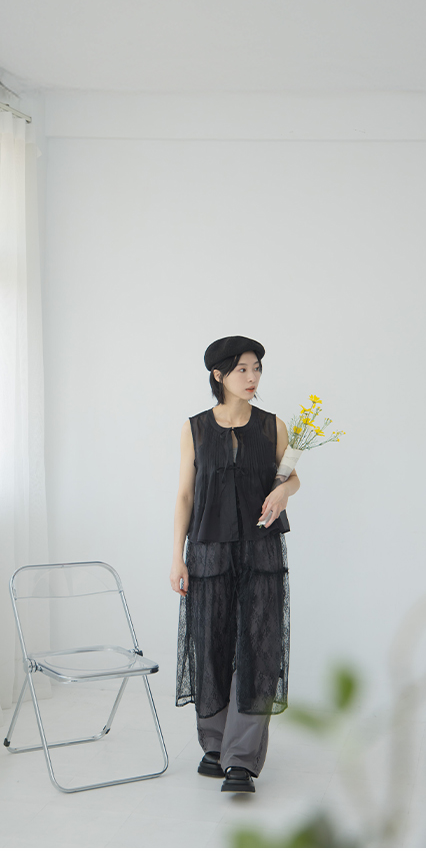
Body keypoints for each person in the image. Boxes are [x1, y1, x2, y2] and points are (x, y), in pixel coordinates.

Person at [170, 335, 300, 794]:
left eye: (257, 368)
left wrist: (284, 491)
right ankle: (215, 745)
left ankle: (240, 760)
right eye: (242, 369)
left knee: (258, 647)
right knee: (210, 643)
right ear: (218, 374)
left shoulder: (272, 426)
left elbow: (291, 476)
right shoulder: (194, 428)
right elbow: (185, 495)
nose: (252, 377)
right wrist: (176, 557)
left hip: (260, 549)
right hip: (207, 549)